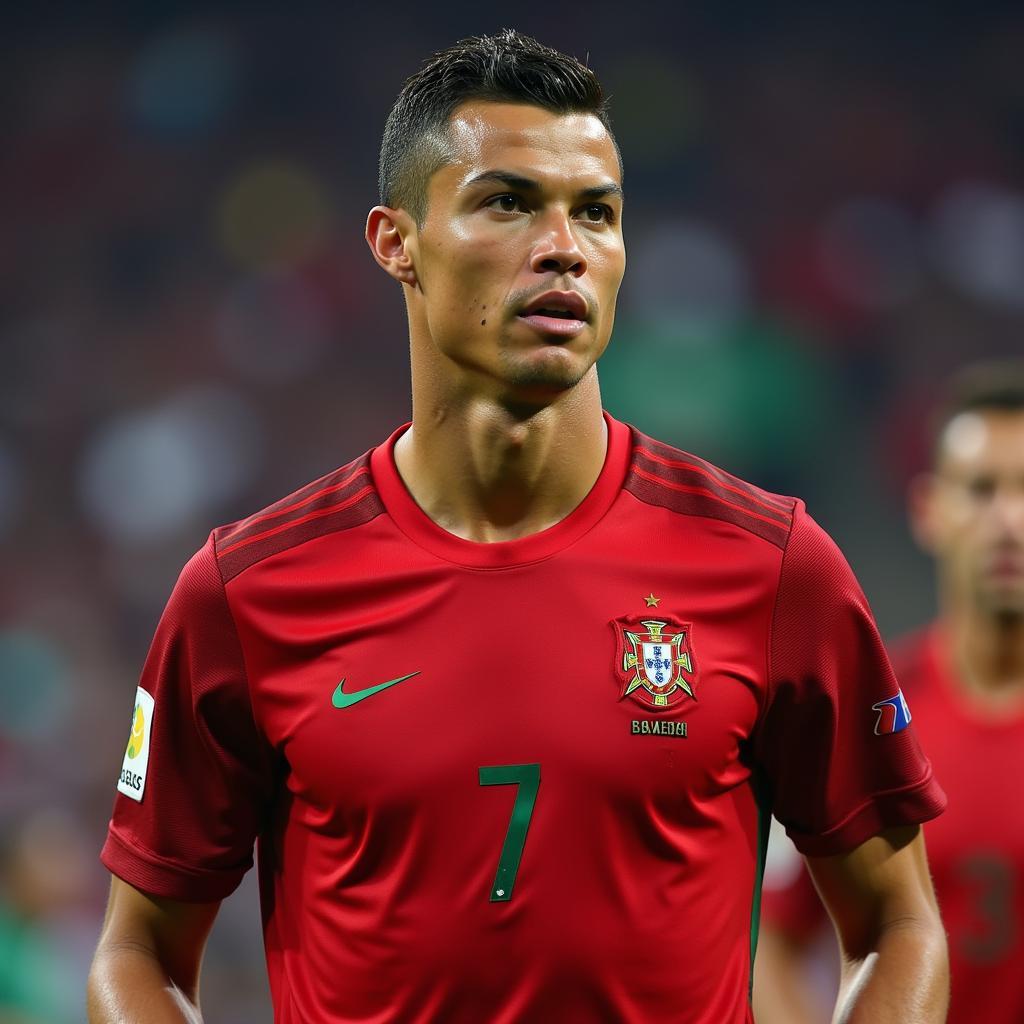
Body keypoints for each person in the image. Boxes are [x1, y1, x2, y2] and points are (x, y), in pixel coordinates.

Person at [87, 29, 949, 1024]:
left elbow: (898, 926)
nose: (563, 246)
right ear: (394, 241)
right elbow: (138, 952)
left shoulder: (773, 566)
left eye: (596, 212)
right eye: (507, 202)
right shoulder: (245, 592)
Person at [753, 361, 1024, 1024]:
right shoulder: (866, 715)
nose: (1009, 520)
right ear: (929, 510)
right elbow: (773, 942)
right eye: (982, 489)